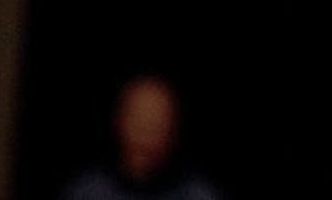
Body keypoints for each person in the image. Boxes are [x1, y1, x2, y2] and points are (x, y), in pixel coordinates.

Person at [58, 73, 224, 200]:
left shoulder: (196, 195)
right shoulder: (87, 192)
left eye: (158, 124)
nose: (147, 136)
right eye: (140, 122)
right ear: (118, 122)